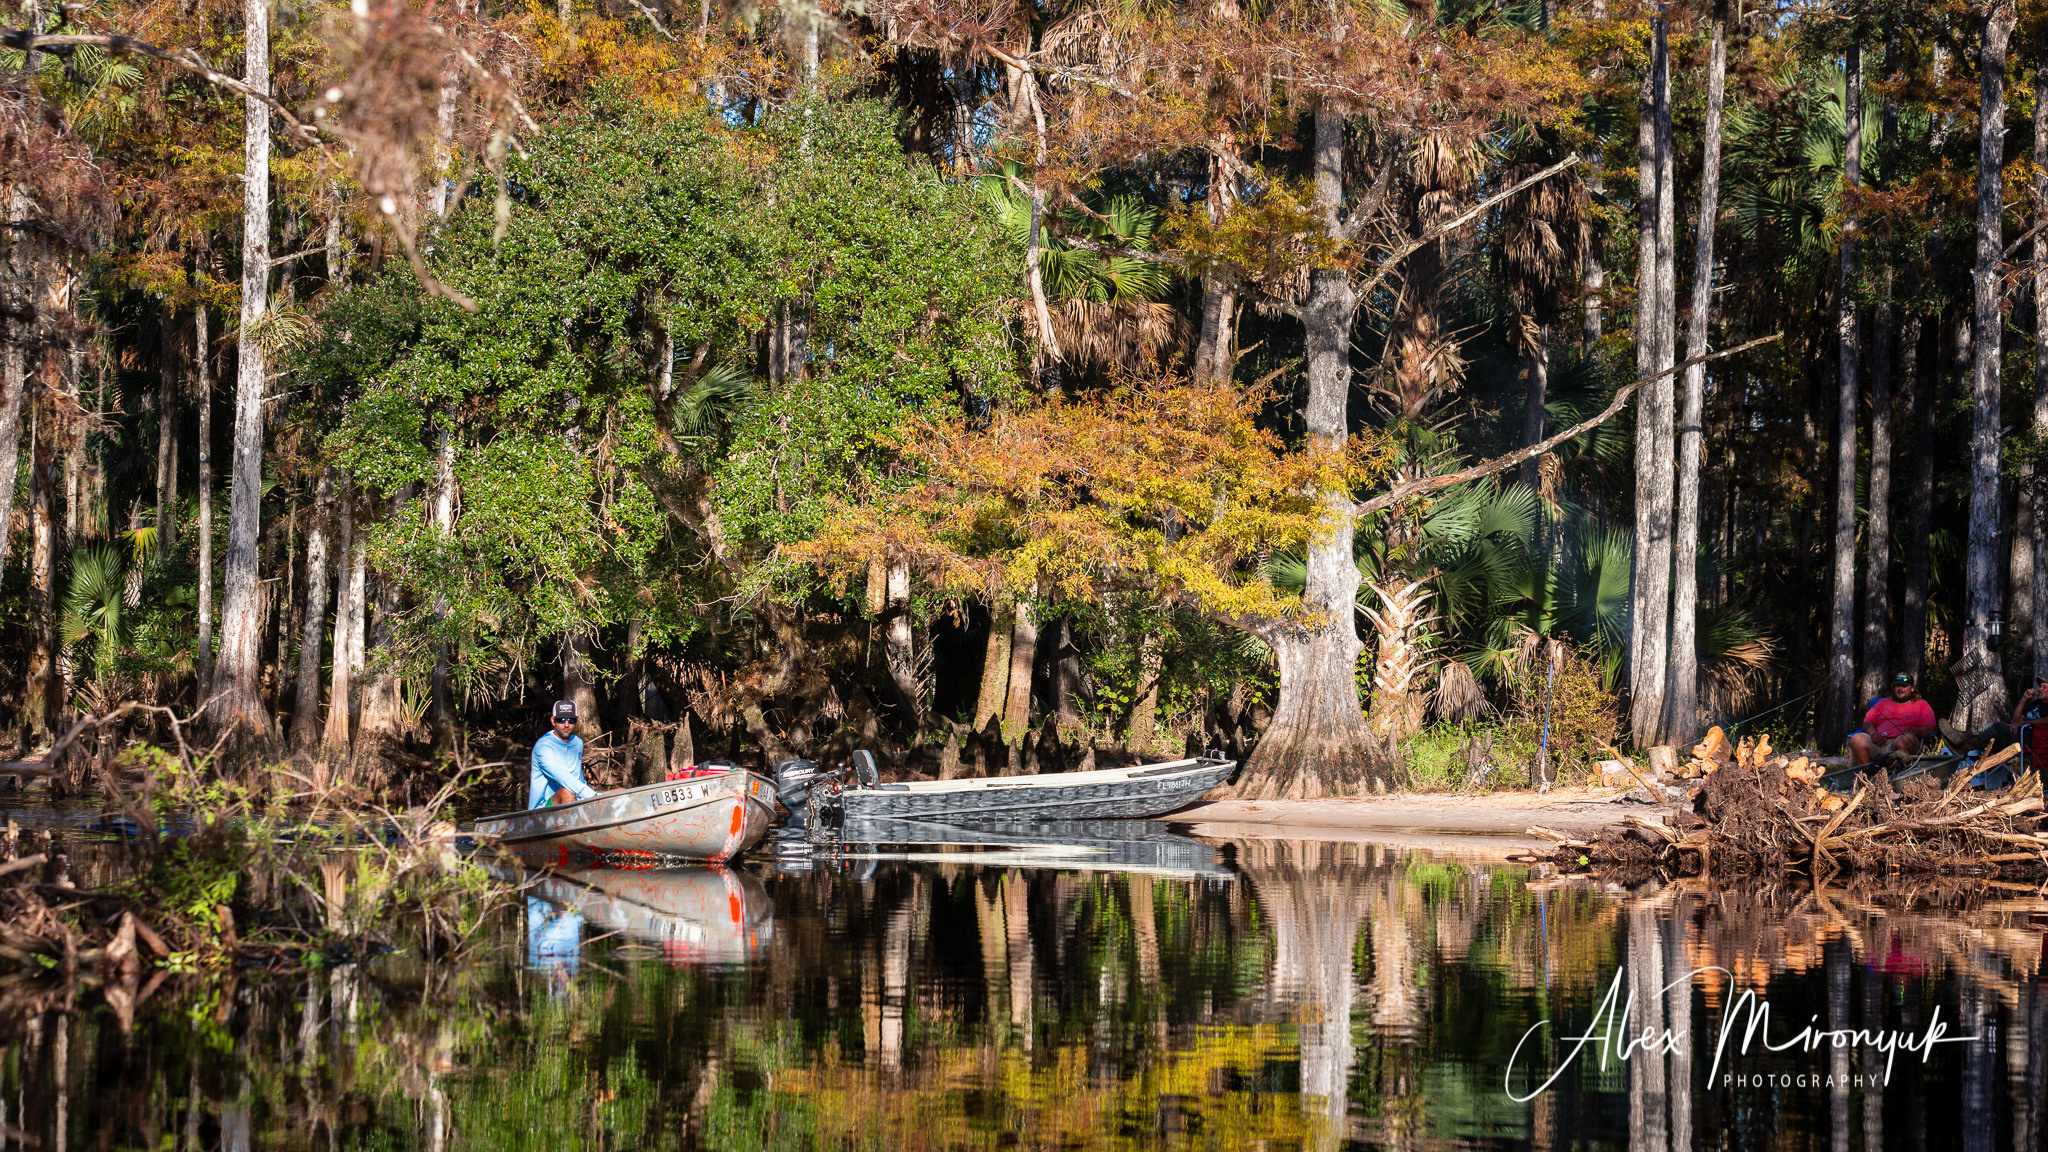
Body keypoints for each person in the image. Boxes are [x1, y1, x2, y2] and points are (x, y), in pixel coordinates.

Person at [1847, 672, 1938, 770]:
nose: (1900, 689)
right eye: (1897, 686)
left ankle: (1899, 774)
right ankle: (1867, 775)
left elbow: (1931, 727)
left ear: (1912, 688)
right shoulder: (1883, 703)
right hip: (1880, 743)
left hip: (1904, 742)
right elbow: (1867, 722)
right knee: (1857, 739)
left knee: (1906, 739)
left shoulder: (1921, 705)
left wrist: (1915, 731)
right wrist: (1873, 733)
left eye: (1904, 686)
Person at [1941, 673, 2048, 754]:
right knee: (1993, 741)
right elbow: (2014, 721)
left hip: (2033, 740)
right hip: (2017, 735)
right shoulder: (2035, 704)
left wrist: (2023, 723)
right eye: (2040, 686)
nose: (2040, 689)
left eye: (2044, 687)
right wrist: (2024, 698)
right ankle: (1965, 739)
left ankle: (1965, 746)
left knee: (1999, 728)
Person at [529, 700, 599, 809]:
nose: (566, 725)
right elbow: (563, 777)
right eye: (561, 720)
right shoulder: (543, 747)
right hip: (542, 808)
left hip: (576, 798)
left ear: (576, 721)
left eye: (571, 720)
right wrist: (593, 796)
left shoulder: (577, 743)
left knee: (621, 793)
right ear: (553, 721)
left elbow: (578, 778)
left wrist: (598, 798)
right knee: (567, 793)